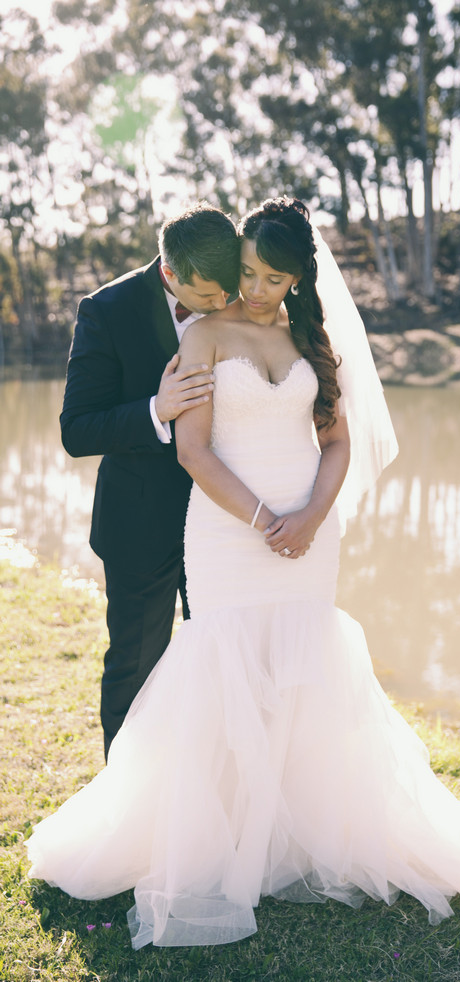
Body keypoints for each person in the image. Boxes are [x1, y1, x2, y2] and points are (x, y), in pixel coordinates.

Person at [28, 197, 460, 949]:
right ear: (177, 275)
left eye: (265, 277)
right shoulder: (153, 322)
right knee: (157, 661)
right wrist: (173, 424)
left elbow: (336, 438)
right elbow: (113, 434)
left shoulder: (303, 334)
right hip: (190, 520)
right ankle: (163, 822)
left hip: (299, 530)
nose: (244, 292)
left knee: (290, 672)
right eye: (235, 280)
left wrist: (312, 516)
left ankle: (284, 831)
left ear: (293, 277)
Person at [59, 202, 240, 758]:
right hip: (141, 525)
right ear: (170, 274)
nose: (223, 306)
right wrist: (155, 410)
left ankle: (223, 794)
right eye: (209, 296)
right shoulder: (106, 311)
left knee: (230, 662)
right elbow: (77, 430)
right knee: (136, 665)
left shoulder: (244, 301)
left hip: (228, 518)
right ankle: (125, 798)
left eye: (227, 293)